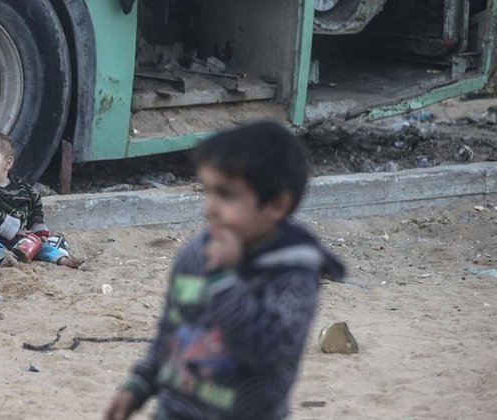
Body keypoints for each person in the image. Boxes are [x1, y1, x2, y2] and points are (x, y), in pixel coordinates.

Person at [104, 121, 345, 419]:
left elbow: (264, 352)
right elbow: (171, 331)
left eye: (226, 194)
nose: (209, 208)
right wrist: (138, 386)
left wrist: (223, 278)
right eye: (207, 191)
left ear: (278, 204)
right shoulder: (195, 255)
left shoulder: (291, 273)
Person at [0, 132, 82, 269]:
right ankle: (2, 257)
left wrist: (38, 231)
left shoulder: (23, 188)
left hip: (15, 237)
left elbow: (35, 208)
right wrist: (15, 230)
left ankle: (60, 258)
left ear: (8, 163)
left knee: (38, 244)